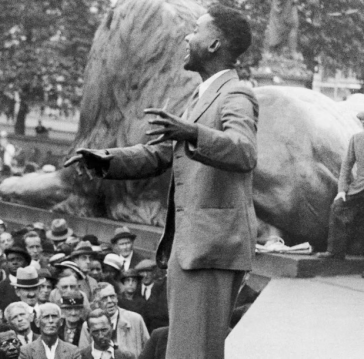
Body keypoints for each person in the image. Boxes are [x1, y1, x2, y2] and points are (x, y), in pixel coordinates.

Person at [65, 5, 257, 358]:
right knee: (189, 351)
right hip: (194, 247)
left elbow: (244, 152)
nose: (187, 36)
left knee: (191, 352)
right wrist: (105, 160)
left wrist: (193, 131)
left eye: (196, 30)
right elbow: (161, 154)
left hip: (210, 247)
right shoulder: (201, 97)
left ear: (214, 44)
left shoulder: (236, 94)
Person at [318, 112, 364, 260]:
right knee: (338, 207)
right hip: (359, 187)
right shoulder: (356, 139)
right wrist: (342, 190)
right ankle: (335, 252)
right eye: (363, 121)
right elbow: (347, 165)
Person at [78, 283, 148, 358]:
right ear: (96, 303)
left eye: (112, 296)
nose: (110, 301)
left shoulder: (135, 319)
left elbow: (149, 351)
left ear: (117, 298)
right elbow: (83, 355)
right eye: (104, 298)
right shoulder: (88, 325)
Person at [135, 259, 168, 332]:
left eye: (148, 272)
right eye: (142, 273)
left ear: (154, 273)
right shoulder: (135, 290)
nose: (145, 275)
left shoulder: (161, 289)